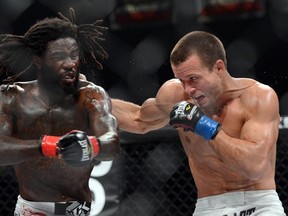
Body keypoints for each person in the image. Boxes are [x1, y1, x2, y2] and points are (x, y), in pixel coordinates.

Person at [112, 31, 285, 215]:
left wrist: (203, 125)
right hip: (209, 207)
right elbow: (138, 119)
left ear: (219, 68)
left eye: (193, 78)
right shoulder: (176, 96)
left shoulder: (257, 97)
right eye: (181, 80)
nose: (188, 89)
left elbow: (255, 167)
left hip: (258, 204)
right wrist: (90, 97)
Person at [0, 8, 120, 216]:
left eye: (73, 55)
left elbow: (112, 141)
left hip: (76, 210)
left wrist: (92, 145)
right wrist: (51, 146)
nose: (69, 63)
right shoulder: (12, 97)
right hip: (32, 210)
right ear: (37, 59)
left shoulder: (91, 97)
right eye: (58, 56)